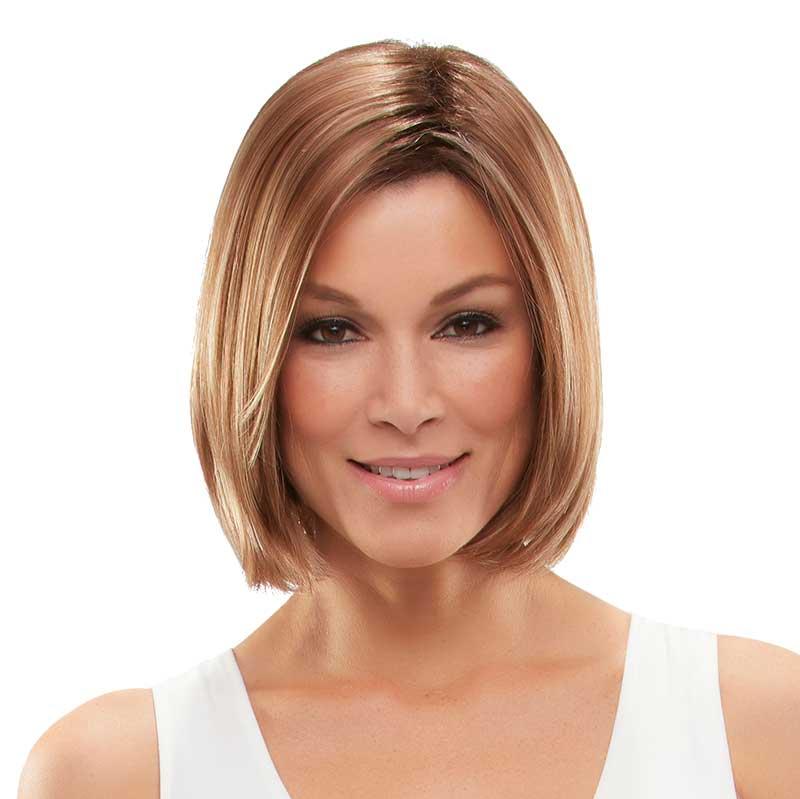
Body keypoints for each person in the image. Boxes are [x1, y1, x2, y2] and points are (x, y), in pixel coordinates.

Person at [18, 39, 799, 799]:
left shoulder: (758, 733)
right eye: (333, 330)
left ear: (551, 344)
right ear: (254, 355)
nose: (404, 404)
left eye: (466, 324)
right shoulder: (118, 775)